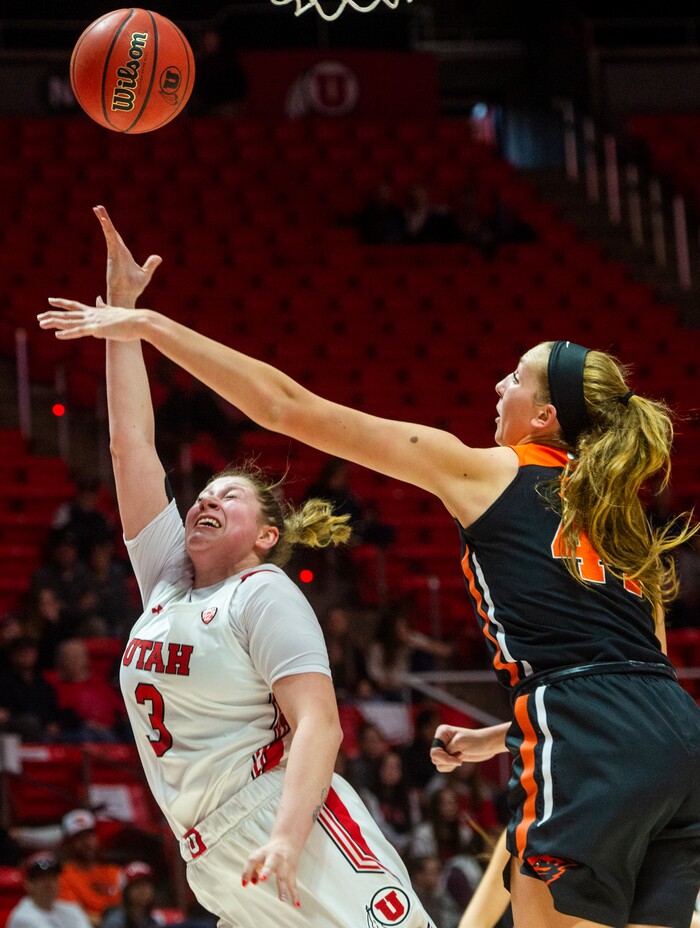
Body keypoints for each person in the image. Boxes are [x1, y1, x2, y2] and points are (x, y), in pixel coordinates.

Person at [39, 212, 700, 927]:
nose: (498, 384)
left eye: (515, 377)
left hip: (581, 736)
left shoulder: (486, 472)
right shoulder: (621, 517)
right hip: (675, 738)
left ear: (543, 417)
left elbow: (285, 406)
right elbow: (635, 661)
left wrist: (152, 326)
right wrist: (501, 737)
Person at [41, 207, 434, 928]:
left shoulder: (263, 592)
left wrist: (286, 837)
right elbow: (133, 449)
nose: (205, 501)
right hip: (209, 855)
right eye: (203, 494)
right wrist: (122, 318)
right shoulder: (167, 582)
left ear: (266, 535)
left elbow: (319, 724)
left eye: (230, 496)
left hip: (286, 819)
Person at [57, 810, 122, 925]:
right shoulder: (62, 876)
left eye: (89, 836)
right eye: (79, 838)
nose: (86, 843)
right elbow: (74, 918)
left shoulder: (114, 872)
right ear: (68, 844)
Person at [8, 851, 92, 928]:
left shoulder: (72, 909)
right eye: (41, 878)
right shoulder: (23, 917)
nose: (48, 883)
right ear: (28, 884)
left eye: (52, 877)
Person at [101, 861, 160, 928]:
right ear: (126, 891)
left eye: (147, 885)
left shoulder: (152, 922)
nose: (144, 890)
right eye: (137, 885)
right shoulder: (115, 921)